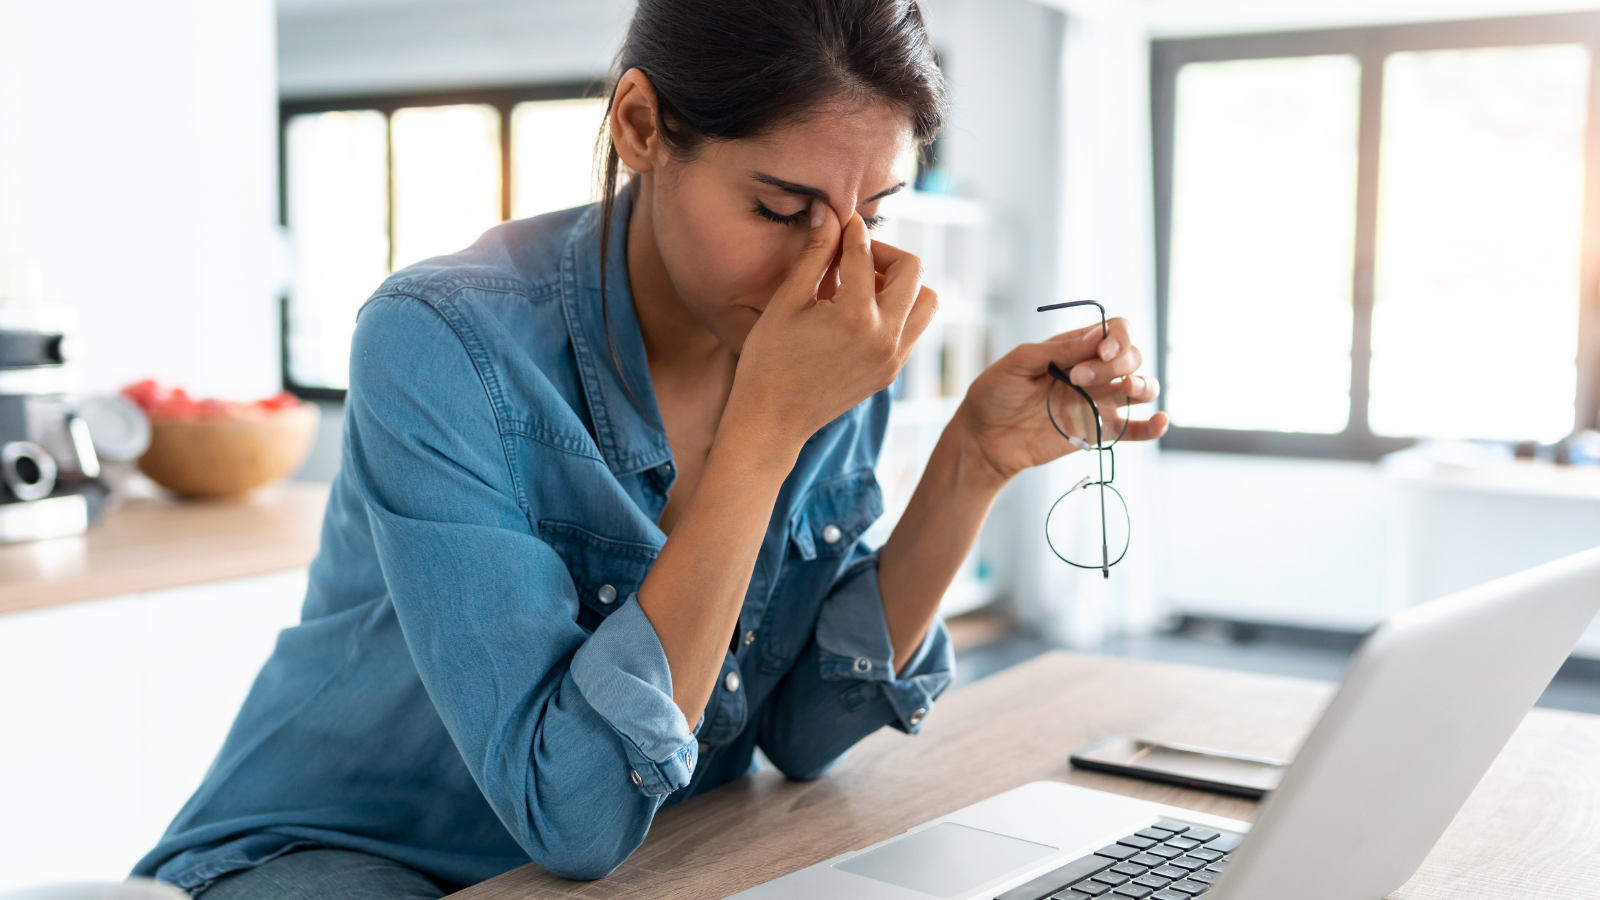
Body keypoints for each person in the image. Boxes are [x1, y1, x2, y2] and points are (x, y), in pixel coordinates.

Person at [134, 0, 1167, 897]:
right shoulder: (441, 338)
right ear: (639, 126)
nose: (835, 268)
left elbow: (805, 731)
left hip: (637, 857)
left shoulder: (812, 333)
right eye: (780, 207)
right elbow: (570, 813)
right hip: (338, 855)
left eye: (874, 210)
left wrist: (969, 464)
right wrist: (764, 433)